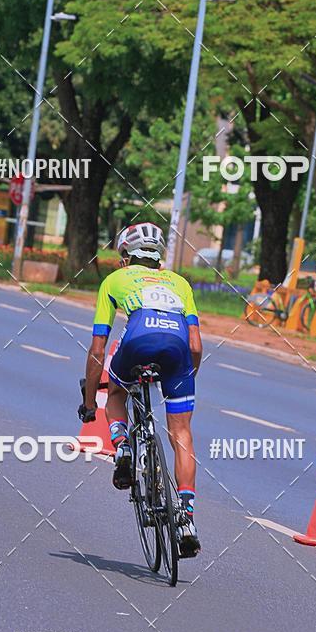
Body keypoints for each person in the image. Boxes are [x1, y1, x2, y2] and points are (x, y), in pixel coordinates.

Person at [78, 222, 203, 557]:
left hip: (137, 341)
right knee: (182, 434)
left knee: (116, 394)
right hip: (177, 351)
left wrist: (90, 402)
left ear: (125, 256)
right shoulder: (179, 282)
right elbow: (195, 343)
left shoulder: (114, 280)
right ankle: (187, 519)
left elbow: (98, 348)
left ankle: (122, 448)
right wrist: (185, 378)